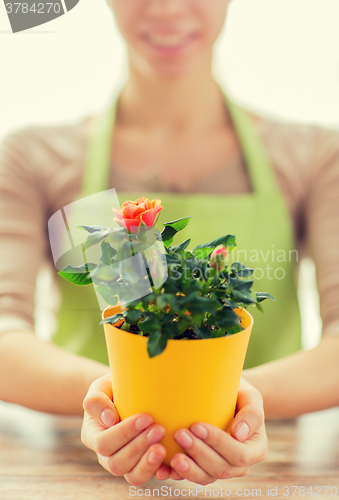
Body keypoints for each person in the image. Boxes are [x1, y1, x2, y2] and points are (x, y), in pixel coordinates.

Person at [0, 0, 338, 487]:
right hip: (76, 472)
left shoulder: (314, 154)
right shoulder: (35, 155)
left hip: (269, 472)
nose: (166, 8)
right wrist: (115, 404)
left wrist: (225, 404)